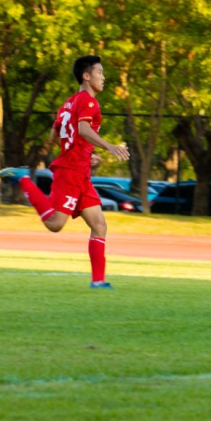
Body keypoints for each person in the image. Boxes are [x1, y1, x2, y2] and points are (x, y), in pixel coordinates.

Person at [18, 55, 130, 289]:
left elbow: (57, 133)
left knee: (99, 225)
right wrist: (109, 146)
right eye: (99, 72)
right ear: (86, 76)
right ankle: (24, 180)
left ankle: (98, 282)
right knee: (55, 224)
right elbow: (83, 128)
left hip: (79, 171)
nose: (104, 77)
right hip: (71, 172)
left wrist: (85, 153)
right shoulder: (89, 101)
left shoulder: (68, 103)